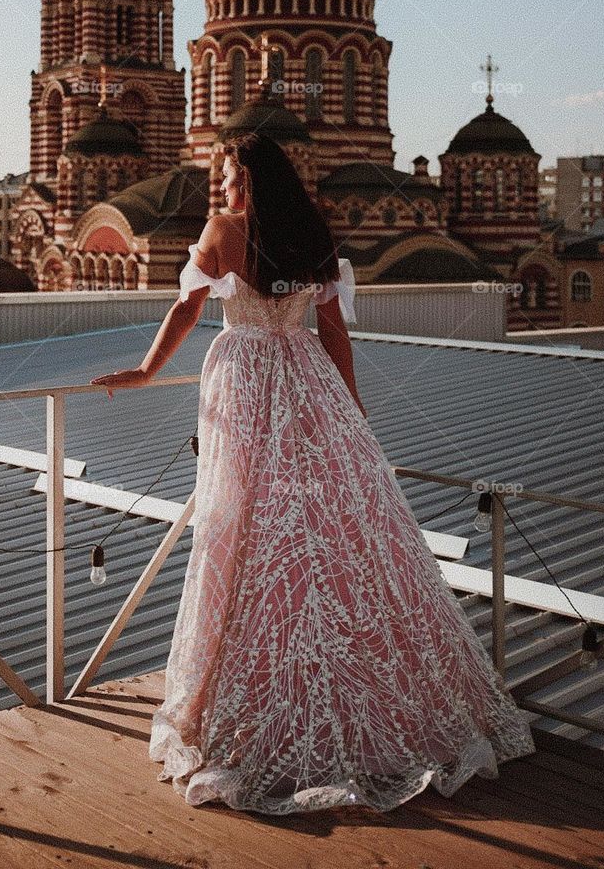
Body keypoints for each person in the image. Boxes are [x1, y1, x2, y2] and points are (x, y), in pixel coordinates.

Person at [90, 132, 536, 816]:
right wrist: (352, 409)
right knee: (329, 526)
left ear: (251, 182)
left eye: (231, 175)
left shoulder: (223, 230)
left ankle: (252, 693)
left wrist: (146, 369)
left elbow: (188, 308)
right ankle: (326, 669)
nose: (225, 187)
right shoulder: (312, 232)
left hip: (245, 382)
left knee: (240, 526)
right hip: (307, 385)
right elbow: (332, 331)